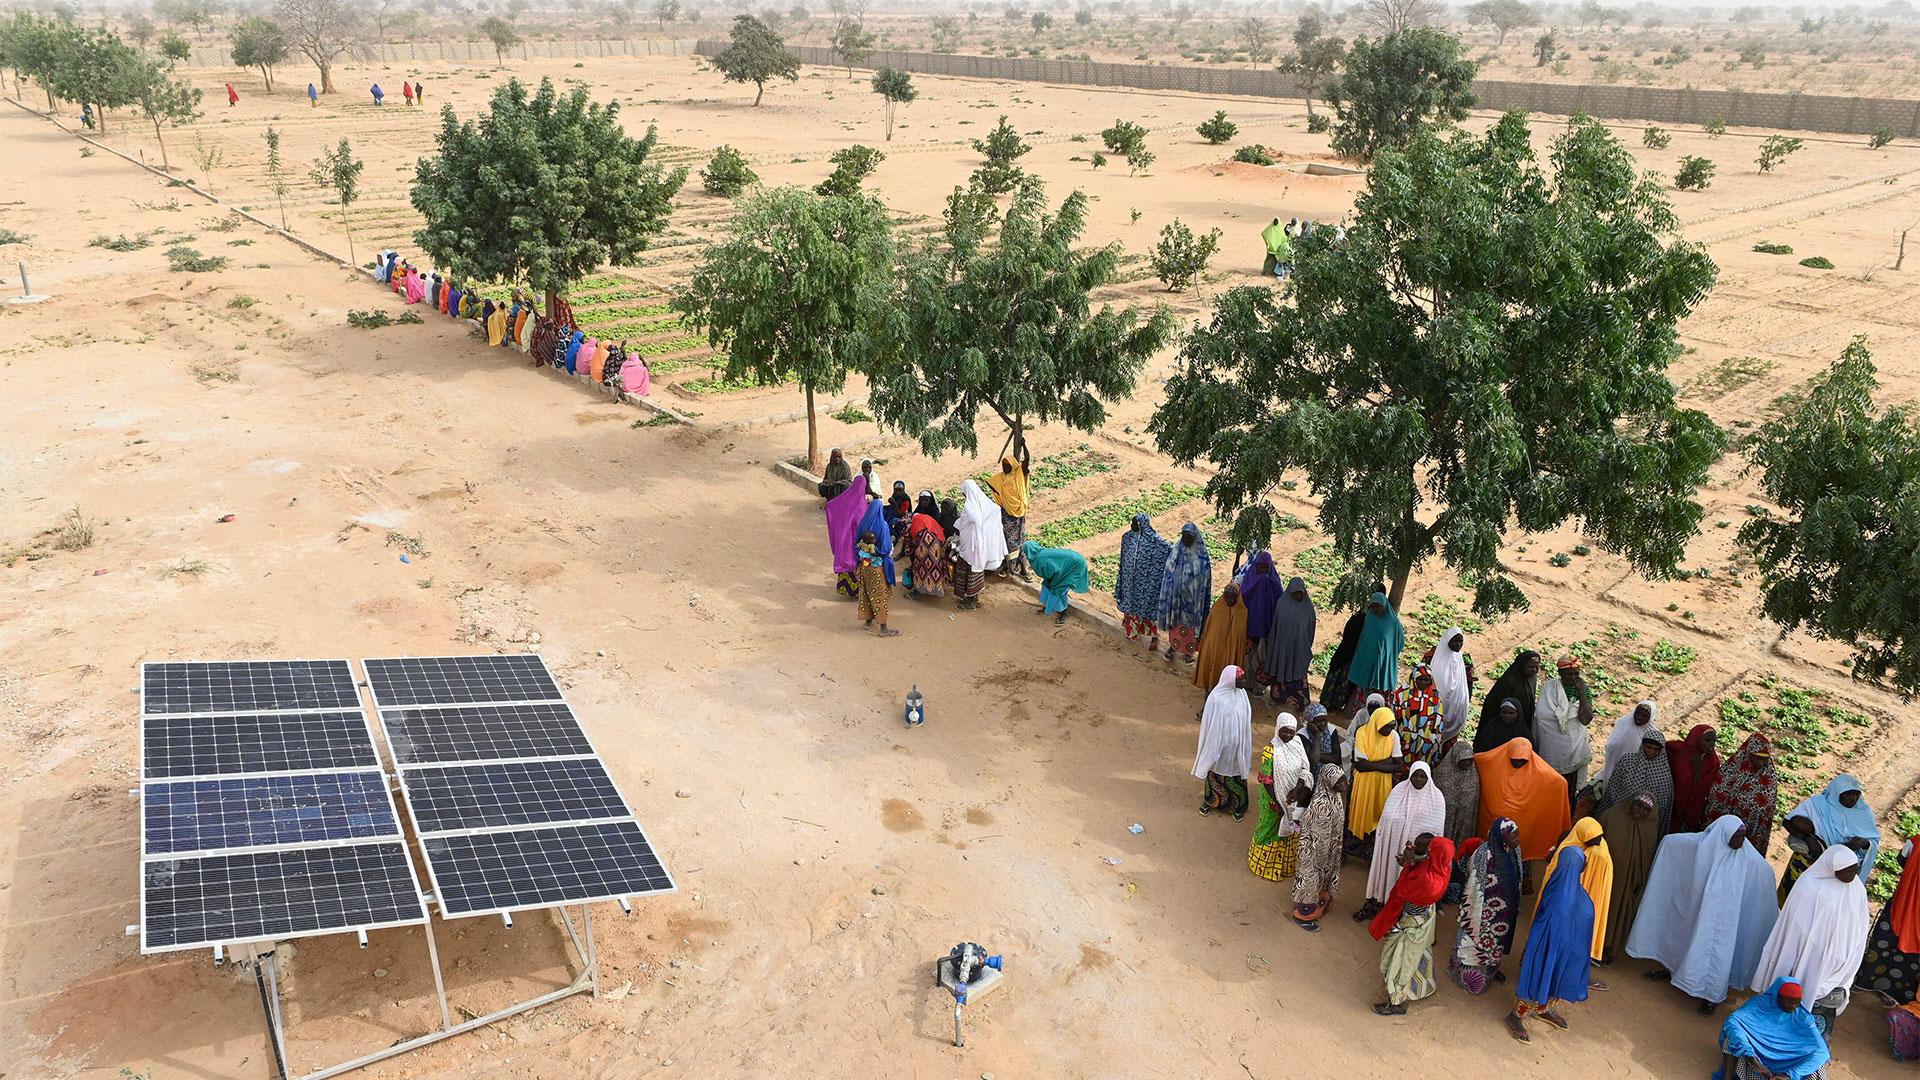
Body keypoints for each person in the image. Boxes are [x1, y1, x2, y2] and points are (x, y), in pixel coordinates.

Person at [1628, 815, 1780, 1013]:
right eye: (1736, 836)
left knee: (1718, 956)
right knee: (1682, 937)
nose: (1740, 841)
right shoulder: (1701, 847)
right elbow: (1675, 845)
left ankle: (1711, 997)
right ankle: (1671, 969)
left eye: (1743, 836)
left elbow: (1763, 879)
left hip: (1726, 923)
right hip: (1696, 912)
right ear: (1723, 834)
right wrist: (1667, 844)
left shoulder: (1751, 862)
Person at [1752, 846, 1871, 1036]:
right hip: (1804, 955)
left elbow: (1860, 926)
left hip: (1836, 965)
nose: (1852, 874)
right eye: (1847, 870)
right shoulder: (1810, 884)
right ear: (1832, 867)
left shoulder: (1857, 889)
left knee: (1817, 1019)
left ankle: (1805, 1051)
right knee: (1790, 999)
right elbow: (1795, 925)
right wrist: (1814, 945)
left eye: (1854, 869)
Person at [1509, 844, 1596, 1042]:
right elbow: (1545, 921)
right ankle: (1515, 1017)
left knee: (1555, 978)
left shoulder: (1569, 888)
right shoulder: (1559, 892)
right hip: (1547, 948)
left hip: (1566, 951)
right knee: (1538, 977)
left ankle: (1544, 1009)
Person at [1369, 833, 1455, 1016]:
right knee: (1417, 958)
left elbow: (1402, 890)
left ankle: (1395, 1003)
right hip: (1424, 919)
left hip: (1410, 923)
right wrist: (1413, 860)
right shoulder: (1441, 869)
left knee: (1399, 961)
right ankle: (1418, 988)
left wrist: (1408, 865)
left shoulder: (1426, 880)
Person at [1359, 761, 1445, 921]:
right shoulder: (1399, 790)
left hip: (1417, 855)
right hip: (1391, 845)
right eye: (1415, 776)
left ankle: (1397, 917)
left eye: (1422, 777)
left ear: (1429, 778)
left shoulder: (1437, 798)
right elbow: (1386, 818)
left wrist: (1416, 853)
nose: (1418, 780)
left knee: (1406, 884)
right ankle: (1375, 906)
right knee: (1385, 875)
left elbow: (1436, 832)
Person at [1451, 817, 1523, 994]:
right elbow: (1473, 886)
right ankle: (1466, 976)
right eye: (1513, 837)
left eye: (1518, 836)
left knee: (1496, 943)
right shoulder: (1484, 854)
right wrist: (1475, 913)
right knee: (1478, 943)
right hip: (1483, 912)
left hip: (1503, 912)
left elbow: (1518, 875)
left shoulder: (1515, 851)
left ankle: (1492, 970)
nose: (1517, 840)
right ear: (1501, 836)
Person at [1476, 738, 1573, 865]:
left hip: (1522, 832)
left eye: (1523, 761)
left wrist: (1561, 785)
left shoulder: (1540, 772)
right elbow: (1476, 759)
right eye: (1514, 760)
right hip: (1492, 825)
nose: (1518, 763)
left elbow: (1557, 782)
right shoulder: (1491, 762)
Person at [1714, 978, 1831, 1080]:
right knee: (1732, 1040)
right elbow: (1733, 1022)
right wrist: (1753, 1059)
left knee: (1817, 1065)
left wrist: (1790, 1075)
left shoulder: (1802, 1016)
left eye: (1797, 1003)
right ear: (1777, 996)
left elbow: (1821, 1050)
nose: (1793, 1007)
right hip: (1757, 1061)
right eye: (1788, 1002)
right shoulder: (1758, 1005)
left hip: (1788, 1065)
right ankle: (1727, 1077)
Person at [1536, 817, 1614, 966]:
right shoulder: (1570, 847)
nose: (1598, 842)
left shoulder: (1597, 853)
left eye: (1599, 838)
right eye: (1594, 839)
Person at [1784, 774, 1882, 889]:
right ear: (1837, 792)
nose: (1853, 798)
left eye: (1857, 794)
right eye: (1848, 794)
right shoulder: (1818, 804)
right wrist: (1808, 838)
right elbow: (1787, 822)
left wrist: (1864, 843)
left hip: (1841, 871)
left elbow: (1873, 841)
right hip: (1810, 862)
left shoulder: (1864, 813)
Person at [1855, 836, 1918, 1006]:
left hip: (1903, 903)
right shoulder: (1915, 842)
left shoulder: (1915, 842)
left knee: (1886, 942)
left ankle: (1868, 981)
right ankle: (1893, 993)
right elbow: (1902, 859)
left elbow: (1902, 860)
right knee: (1897, 947)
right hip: (1903, 904)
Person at [1596, 792, 1659, 963]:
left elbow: (1646, 859)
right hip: (1605, 878)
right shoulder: (1610, 818)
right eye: (1637, 805)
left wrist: (1639, 881)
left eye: (1646, 809)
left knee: (1618, 914)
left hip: (1629, 883)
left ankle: (1608, 949)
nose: (1640, 811)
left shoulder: (1650, 829)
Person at [1250, 712, 1312, 881]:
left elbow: (1304, 770)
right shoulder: (1270, 751)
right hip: (1273, 798)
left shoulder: (1297, 744)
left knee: (1289, 829)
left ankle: (1284, 867)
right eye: (1284, 731)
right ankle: (1263, 867)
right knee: (1270, 828)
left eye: (1291, 731)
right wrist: (1278, 803)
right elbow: (1267, 781)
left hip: (1293, 798)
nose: (1287, 735)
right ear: (1277, 729)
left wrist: (1297, 789)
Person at [1291, 764, 1348, 931]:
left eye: (1343, 781)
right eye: (1339, 782)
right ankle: (1303, 915)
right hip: (1314, 852)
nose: (1343, 785)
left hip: (1329, 849)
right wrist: (1323, 856)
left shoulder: (1335, 797)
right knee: (1310, 879)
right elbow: (1315, 838)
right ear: (1328, 782)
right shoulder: (1320, 804)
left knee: (1324, 877)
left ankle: (1321, 901)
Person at [1193, 666, 1253, 819]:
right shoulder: (1216, 697)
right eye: (1241, 679)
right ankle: (1210, 801)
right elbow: (1209, 724)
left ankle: (1238, 806)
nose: (1244, 682)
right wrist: (1214, 745)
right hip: (1218, 746)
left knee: (1235, 774)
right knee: (1214, 772)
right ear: (1231, 680)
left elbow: (1246, 722)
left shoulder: (1242, 695)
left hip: (1236, 747)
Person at [1706, 734, 1779, 854]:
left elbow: (1766, 810)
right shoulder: (1730, 771)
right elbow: (1716, 797)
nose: (1761, 763)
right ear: (1748, 754)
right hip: (1723, 830)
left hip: (1750, 834)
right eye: (1757, 758)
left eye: (1765, 758)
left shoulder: (1769, 779)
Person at [1533, 656, 1594, 795]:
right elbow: (1543, 715)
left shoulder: (1584, 690)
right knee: (1549, 786)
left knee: (1568, 790)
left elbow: (1585, 719)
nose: (1573, 678)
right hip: (1551, 747)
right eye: (1569, 674)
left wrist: (1582, 692)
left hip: (1574, 747)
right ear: (1560, 673)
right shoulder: (1550, 688)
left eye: (1576, 674)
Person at [1318, 582, 1383, 712]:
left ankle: (1330, 705)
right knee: (1341, 682)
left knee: (1340, 682)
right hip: (1349, 656)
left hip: (1349, 656)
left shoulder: (1365, 617)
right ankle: (1331, 706)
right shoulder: (1365, 618)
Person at [1347, 706, 1403, 855]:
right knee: (1360, 811)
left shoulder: (1394, 736)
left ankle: (1371, 848)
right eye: (1386, 727)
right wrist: (1388, 760)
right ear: (1377, 723)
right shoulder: (1362, 732)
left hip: (1382, 784)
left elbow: (1398, 766)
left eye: (1392, 727)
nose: (1388, 731)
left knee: (1378, 813)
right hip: (1364, 782)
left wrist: (1372, 764)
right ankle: (1356, 846)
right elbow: (1360, 766)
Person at [1595, 732, 1674, 835]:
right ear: (1642, 745)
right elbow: (1613, 788)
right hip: (1619, 816)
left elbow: (1662, 806)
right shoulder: (1628, 761)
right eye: (1648, 747)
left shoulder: (1663, 774)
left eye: (1656, 750)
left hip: (1643, 825)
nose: (1651, 752)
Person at [1114, 514, 1171, 650]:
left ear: (1142, 524)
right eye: (1132, 523)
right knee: (1130, 606)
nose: (1132, 526)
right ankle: (1131, 631)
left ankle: (1153, 637)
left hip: (1146, 583)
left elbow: (1168, 550)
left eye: (1135, 524)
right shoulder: (1127, 537)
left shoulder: (1154, 541)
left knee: (1146, 608)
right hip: (1129, 581)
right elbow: (1124, 556)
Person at [1158, 523, 1213, 665]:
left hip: (1193, 604)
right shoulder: (1176, 553)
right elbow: (1168, 573)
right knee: (1176, 627)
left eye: (1190, 538)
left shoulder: (1202, 558)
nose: (1187, 540)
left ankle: (1188, 653)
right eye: (1185, 537)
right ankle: (1172, 648)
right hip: (1176, 601)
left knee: (1190, 629)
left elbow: (1205, 582)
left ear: (1195, 538)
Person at [1259, 576, 1315, 707]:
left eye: (1300, 593)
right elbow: (1276, 627)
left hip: (1299, 649)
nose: (1298, 596)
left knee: (1298, 671)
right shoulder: (1282, 604)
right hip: (1282, 647)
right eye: (1295, 593)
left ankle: (1299, 700)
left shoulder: (1307, 608)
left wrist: (1305, 645)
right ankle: (1279, 697)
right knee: (1282, 667)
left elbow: (1311, 630)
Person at [953, 479, 1007, 610]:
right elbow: (994, 511)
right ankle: (974, 597)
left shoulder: (970, 506)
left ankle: (970, 602)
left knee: (967, 570)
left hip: (971, 546)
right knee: (976, 570)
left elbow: (975, 520)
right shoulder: (984, 504)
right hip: (977, 545)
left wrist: (976, 532)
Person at [1474, 652, 1541, 753]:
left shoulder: (1531, 678)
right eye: (1530, 667)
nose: (1534, 670)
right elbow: (1494, 706)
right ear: (1521, 666)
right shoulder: (1509, 681)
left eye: (1536, 667)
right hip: (1501, 730)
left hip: (1520, 726)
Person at [1347, 591, 1404, 701]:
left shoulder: (1393, 623)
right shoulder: (1369, 618)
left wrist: (1388, 653)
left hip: (1383, 662)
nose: (1375, 609)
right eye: (1373, 606)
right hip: (1367, 659)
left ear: (1384, 605)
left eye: (1378, 606)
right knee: (1364, 686)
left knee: (1379, 691)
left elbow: (1400, 642)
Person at [1191, 583, 1248, 691]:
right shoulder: (1217, 609)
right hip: (1215, 650)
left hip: (1230, 653)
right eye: (1227, 597)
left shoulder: (1242, 612)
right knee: (1211, 676)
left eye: (1232, 598)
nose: (1229, 601)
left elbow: (1239, 638)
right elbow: (1210, 632)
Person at [987, 442, 1032, 580]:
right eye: (1003, 466)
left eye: (1007, 465)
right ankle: (1012, 566)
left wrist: (1024, 446)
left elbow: (1027, 460)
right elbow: (991, 484)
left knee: (1020, 540)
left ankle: (1017, 567)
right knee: (1009, 541)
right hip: (1007, 514)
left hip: (1019, 513)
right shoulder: (1001, 478)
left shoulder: (1019, 474)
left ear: (1012, 465)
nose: (1004, 467)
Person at [1667, 723, 1722, 834]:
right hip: (1671, 804)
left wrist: (1698, 770)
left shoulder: (1713, 762)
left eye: (1714, 741)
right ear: (1696, 739)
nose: (1712, 745)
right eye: (1707, 741)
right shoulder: (1677, 752)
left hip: (1693, 809)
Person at [1423, 627, 1475, 745]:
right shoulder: (1432, 657)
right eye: (1455, 641)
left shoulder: (1464, 660)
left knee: (1449, 743)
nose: (1458, 644)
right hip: (1435, 706)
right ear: (1447, 641)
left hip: (1455, 708)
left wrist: (1465, 702)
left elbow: (1469, 683)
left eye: (1461, 641)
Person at [1023, 541, 1088, 626]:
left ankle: (1063, 614)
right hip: (1069, 564)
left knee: (1059, 589)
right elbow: (1050, 572)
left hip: (1075, 566)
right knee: (1047, 585)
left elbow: (1052, 571)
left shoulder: (1039, 559)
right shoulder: (1039, 555)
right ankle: (1049, 606)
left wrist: (1054, 582)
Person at [824, 477, 869, 599]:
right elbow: (861, 523)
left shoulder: (847, 499)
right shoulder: (861, 503)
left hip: (845, 540)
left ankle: (848, 590)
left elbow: (833, 506)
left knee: (848, 562)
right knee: (857, 565)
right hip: (856, 541)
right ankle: (856, 592)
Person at [1597, 700, 1659, 786]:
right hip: (1612, 767)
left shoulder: (1653, 736)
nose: (1639, 717)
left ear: (1651, 718)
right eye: (1637, 713)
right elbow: (1611, 745)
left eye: (1645, 716)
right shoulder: (1623, 723)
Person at [1395, 664, 1446, 765]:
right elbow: (1396, 715)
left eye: (1426, 680)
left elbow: (1439, 721)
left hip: (1426, 737)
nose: (1423, 683)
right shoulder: (1402, 694)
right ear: (1413, 678)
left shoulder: (1435, 697)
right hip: (1406, 736)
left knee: (1421, 765)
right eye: (1420, 679)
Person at [1433, 740, 1480, 847]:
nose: (1467, 763)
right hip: (1446, 818)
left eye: (1470, 759)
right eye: (1464, 759)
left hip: (1464, 819)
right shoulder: (1443, 774)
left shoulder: (1473, 775)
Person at [853, 531, 899, 636]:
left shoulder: (861, 538)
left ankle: (868, 621)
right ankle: (884, 629)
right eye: (872, 539)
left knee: (866, 592)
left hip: (864, 569)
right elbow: (884, 551)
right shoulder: (874, 543)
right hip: (875, 569)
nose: (874, 540)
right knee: (880, 595)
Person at [907, 496, 949, 599]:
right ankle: (938, 589)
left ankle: (916, 592)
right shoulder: (927, 519)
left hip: (925, 545)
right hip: (939, 545)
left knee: (920, 567)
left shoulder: (916, 523)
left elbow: (913, 539)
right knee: (936, 567)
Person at [1300, 702, 1343, 776]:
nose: (1323, 724)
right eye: (1319, 721)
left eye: (1325, 720)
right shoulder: (1302, 734)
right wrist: (1316, 736)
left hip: (1328, 773)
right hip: (1309, 775)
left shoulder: (1331, 730)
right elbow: (1312, 761)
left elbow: (1337, 759)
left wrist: (1317, 754)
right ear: (1311, 722)